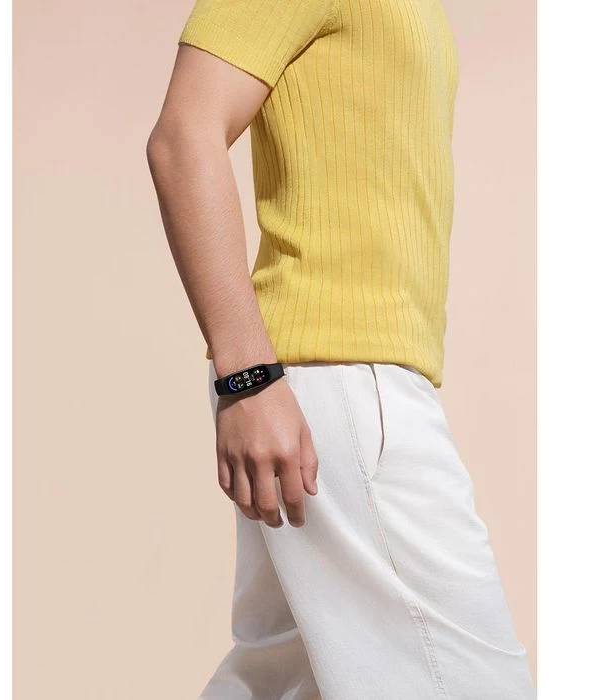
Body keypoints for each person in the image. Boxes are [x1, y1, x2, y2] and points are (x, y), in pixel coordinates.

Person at [147, 0, 536, 697]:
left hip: (344, 389)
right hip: (338, 388)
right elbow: (183, 136)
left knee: (282, 679)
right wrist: (248, 376)